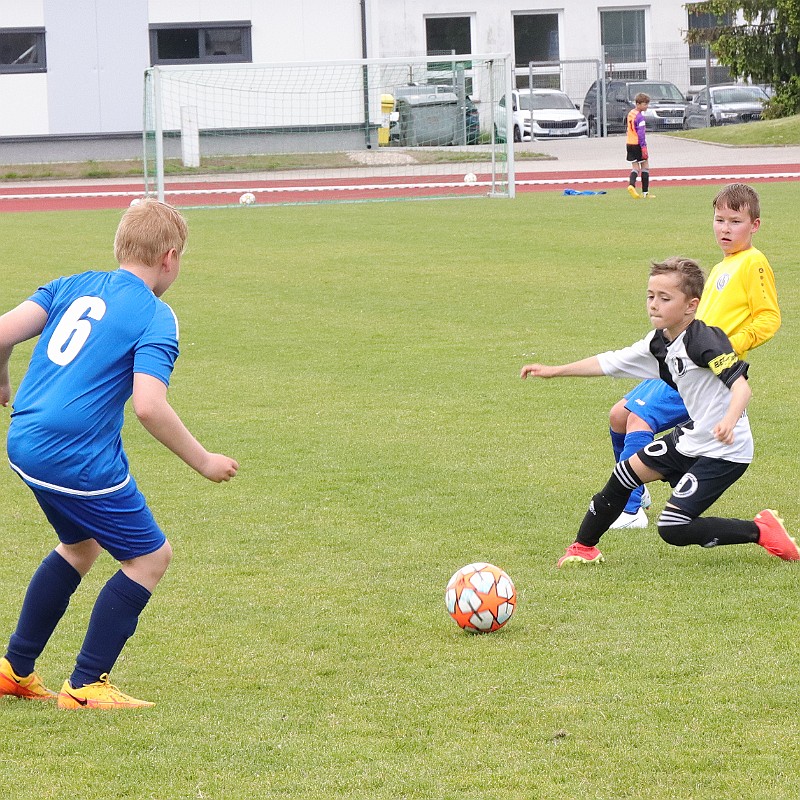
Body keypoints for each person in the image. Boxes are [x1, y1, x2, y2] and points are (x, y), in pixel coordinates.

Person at [0, 198, 238, 709]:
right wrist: (205, 460)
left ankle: (15, 670)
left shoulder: (72, 284)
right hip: (74, 455)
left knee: (81, 547)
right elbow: (150, 407)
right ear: (170, 258)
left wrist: (2, 377)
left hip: (23, 442)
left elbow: (1, 332)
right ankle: (86, 686)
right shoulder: (155, 315)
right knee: (151, 557)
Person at [520, 256, 798, 567]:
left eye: (665, 298)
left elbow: (741, 388)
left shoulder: (705, 341)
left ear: (691, 305)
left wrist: (729, 421)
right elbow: (609, 361)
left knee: (673, 527)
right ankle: (583, 549)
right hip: (692, 437)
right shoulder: (659, 343)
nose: (654, 304)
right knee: (624, 473)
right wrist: (554, 370)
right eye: (651, 296)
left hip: (725, 451)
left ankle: (760, 530)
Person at [608, 183, 780, 529]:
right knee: (619, 416)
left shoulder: (753, 262)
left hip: (705, 369)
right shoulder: (724, 265)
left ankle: (630, 511)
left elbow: (769, 317)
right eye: (720, 220)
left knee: (639, 421)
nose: (725, 229)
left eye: (735, 221)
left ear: (754, 226)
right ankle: (637, 494)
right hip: (680, 360)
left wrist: (730, 343)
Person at [626, 92, 652, 199]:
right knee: (645, 166)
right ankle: (645, 193)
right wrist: (643, 147)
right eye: (645, 104)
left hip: (629, 143)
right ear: (638, 104)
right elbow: (641, 133)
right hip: (637, 144)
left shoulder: (631, 113)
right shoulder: (640, 117)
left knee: (635, 167)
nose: (646, 106)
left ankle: (631, 185)